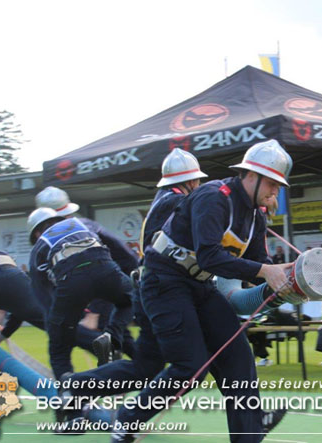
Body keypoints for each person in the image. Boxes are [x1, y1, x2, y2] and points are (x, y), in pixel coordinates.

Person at [115, 139, 297, 443]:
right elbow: (211, 256)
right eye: (272, 183)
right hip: (164, 282)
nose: (275, 191)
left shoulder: (256, 215)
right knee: (190, 366)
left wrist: (287, 281)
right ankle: (128, 420)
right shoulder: (213, 197)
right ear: (250, 176)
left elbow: (258, 262)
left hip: (199, 285)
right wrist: (266, 272)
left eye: (279, 186)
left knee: (239, 357)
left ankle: (248, 436)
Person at [35, 185, 139, 362]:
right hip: (105, 291)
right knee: (120, 341)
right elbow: (128, 257)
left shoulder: (82, 228)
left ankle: (116, 383)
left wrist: (94, 312)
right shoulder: (85, 227)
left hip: (104, 294)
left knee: (104, 344)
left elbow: (127, 259)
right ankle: (151, 370)